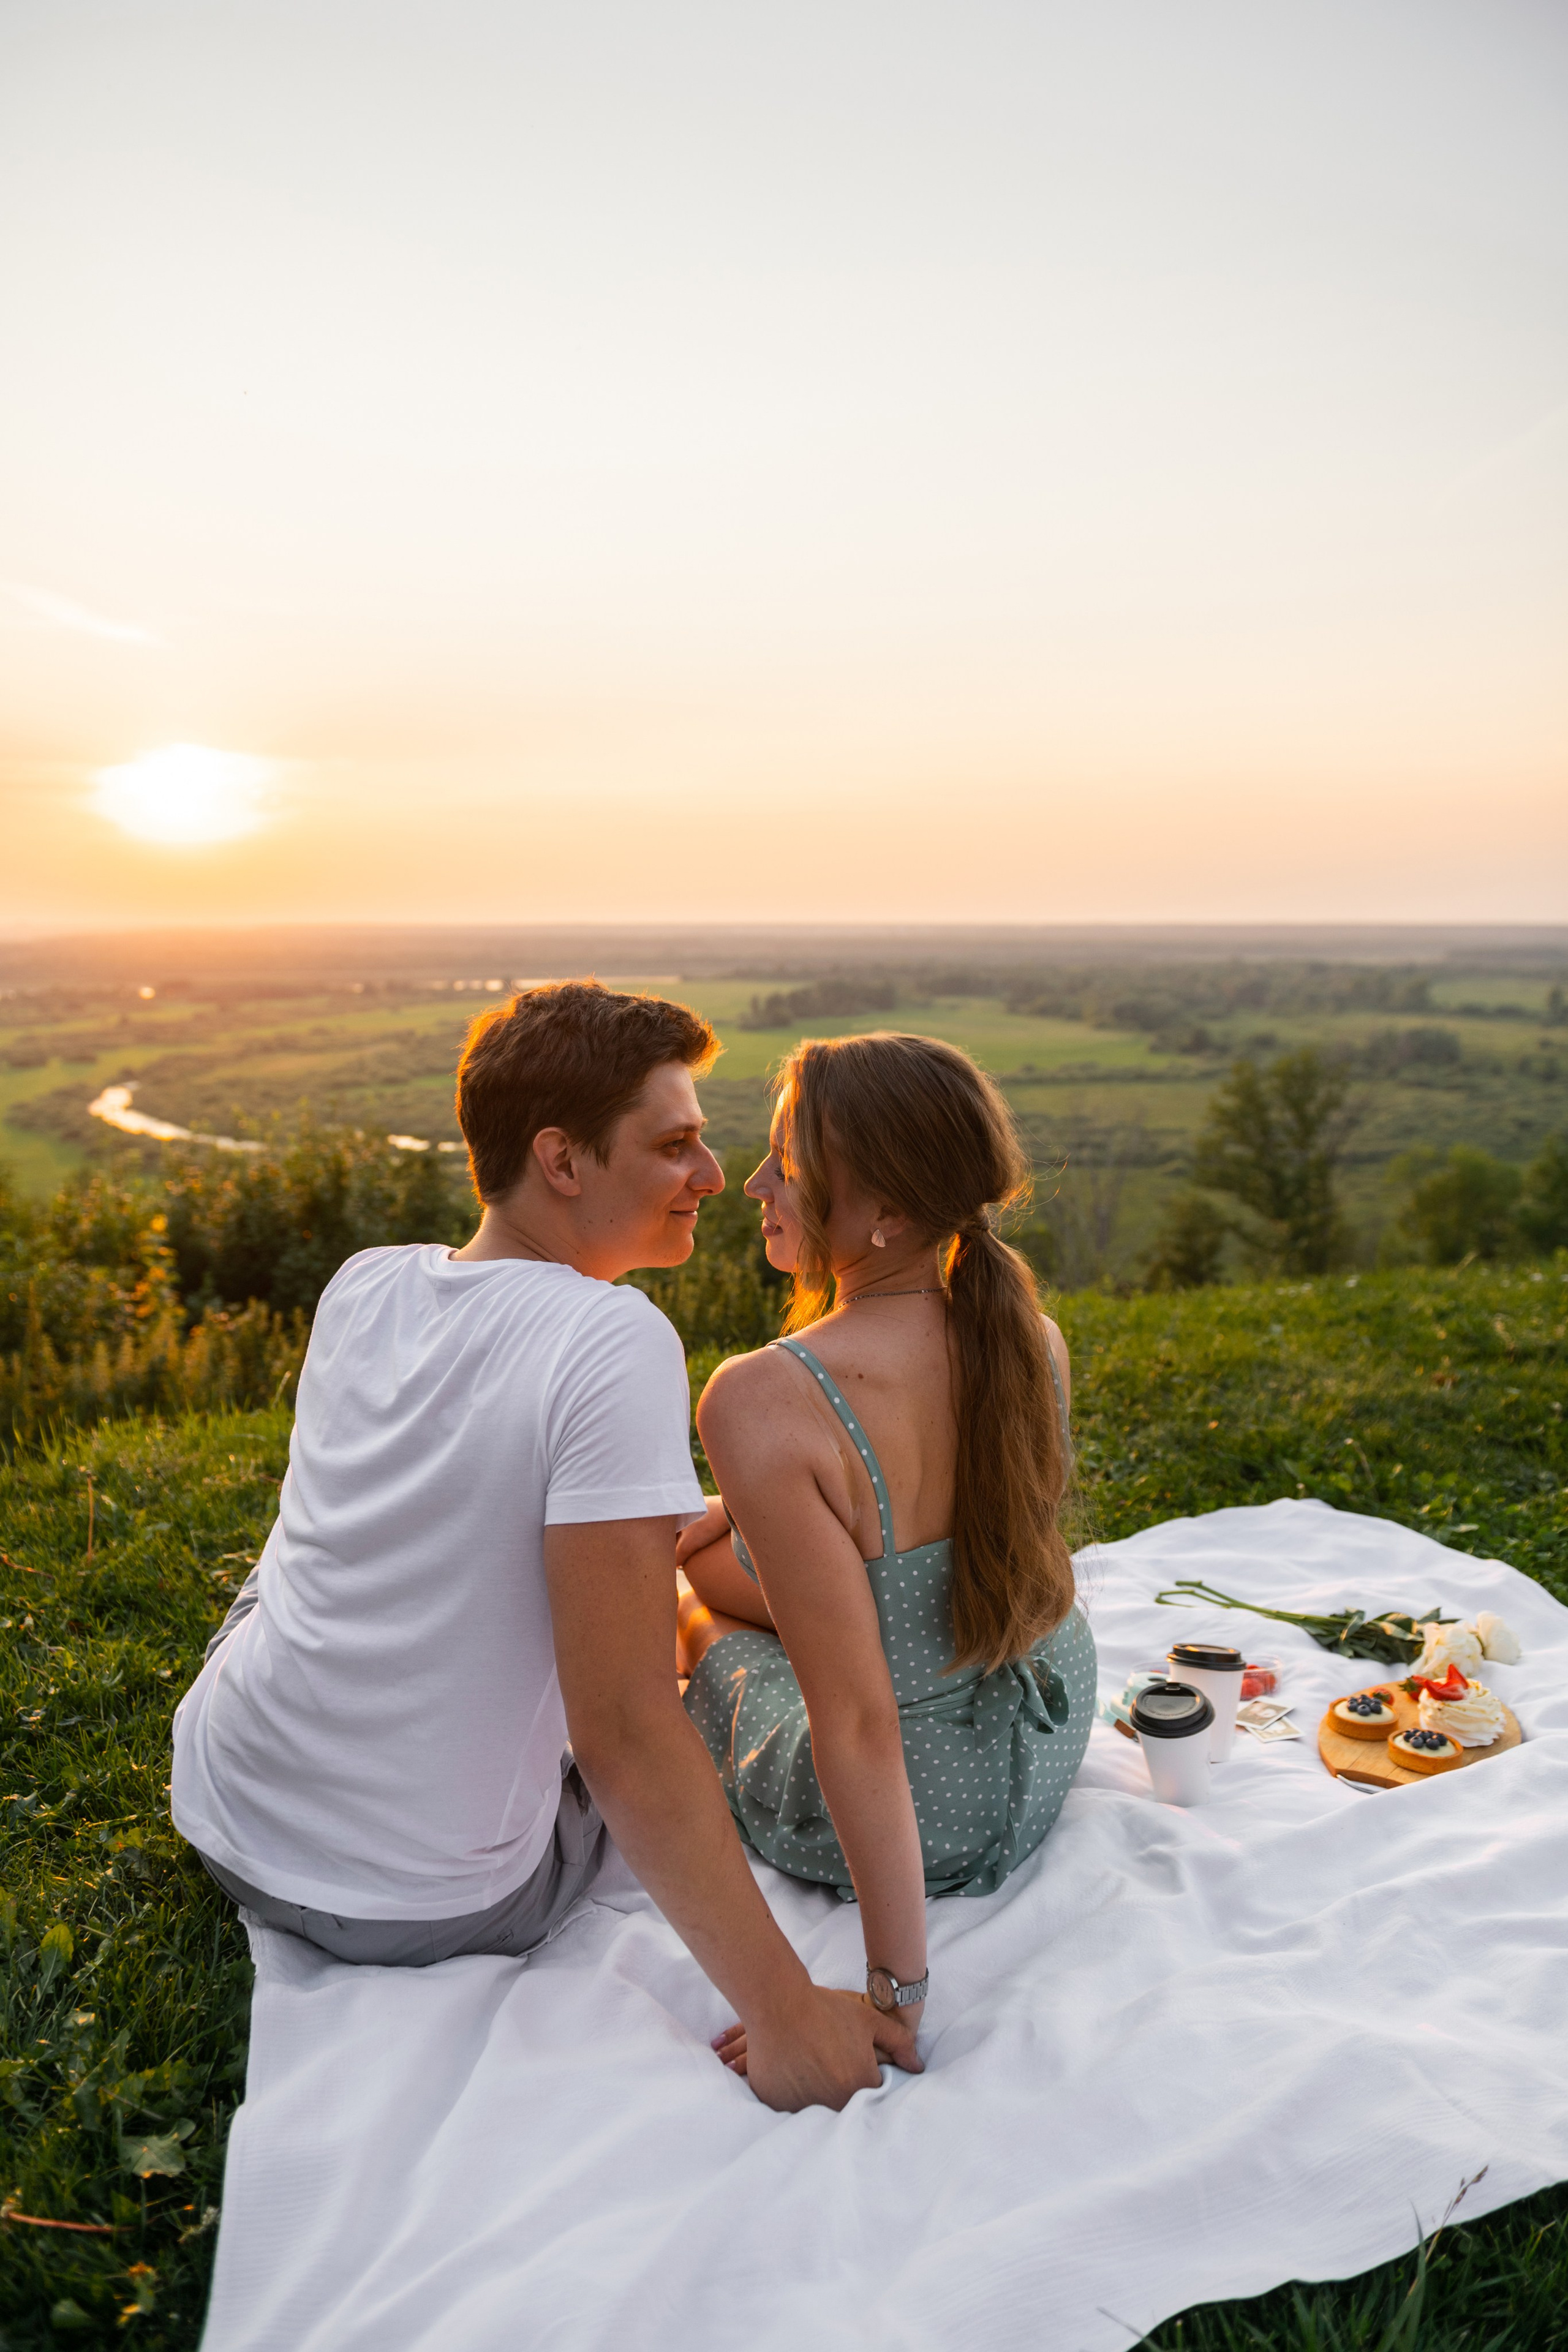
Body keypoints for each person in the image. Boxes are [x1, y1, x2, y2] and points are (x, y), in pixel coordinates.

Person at [170, 982, 919, 2113]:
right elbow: (622, 1735)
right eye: (674, 1146)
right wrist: (786, 2014)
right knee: (668, 1690)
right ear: (561, 1161)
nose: (715, 1177)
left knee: (277, 1581)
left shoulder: (364, 1282)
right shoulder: (611, 1336)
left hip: (231, 1802)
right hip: (421, 1901)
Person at [677, 1033, 1096, 2070]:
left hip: (932, 1808)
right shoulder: (1028, 1335)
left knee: (691, 1600)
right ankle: (717, 1544)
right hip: (1042, 1733)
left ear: (886, 1215)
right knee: (737, 1556)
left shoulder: (764, 1395)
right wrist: (738, 1505)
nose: (756, 1184)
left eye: (789, 1162)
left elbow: (859, 1726)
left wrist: (894, 1994)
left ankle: (690, 1592)